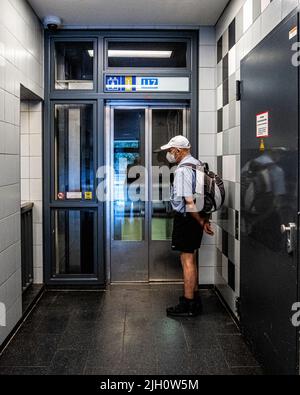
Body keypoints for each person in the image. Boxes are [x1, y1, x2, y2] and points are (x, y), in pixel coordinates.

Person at [160, 135, 214, 317]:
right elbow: (202, 197)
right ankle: (195, 299)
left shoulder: (183, 170)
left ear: (179, 150)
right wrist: (204, 220)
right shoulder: (197, 164)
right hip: (196, 218)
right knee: (192, 258)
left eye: (170, 150)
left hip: (187, 218)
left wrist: (199, 221)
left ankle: (189, 304)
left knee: (187, 260)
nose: (169, 154)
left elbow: (190, 202)